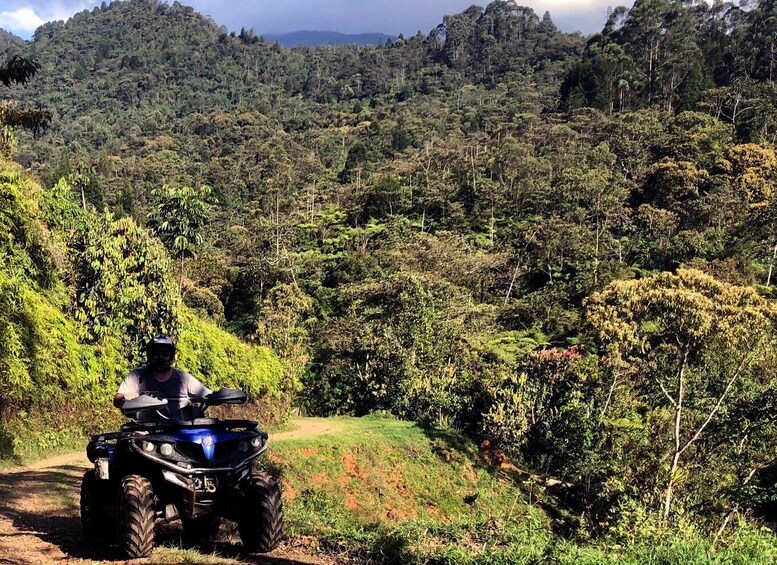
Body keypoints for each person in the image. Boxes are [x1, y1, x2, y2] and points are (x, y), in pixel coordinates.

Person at [114, 335, 212, 420]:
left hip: (180, 432)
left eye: (165, 354)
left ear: (171, 356)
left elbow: (209, 396)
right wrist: (125, 397)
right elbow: (117, 400)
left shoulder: (184, 379)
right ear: (149, 354)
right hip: (145, 432)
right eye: (156, 353)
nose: (160, 357)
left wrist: (222, 396)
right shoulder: (137, 376)